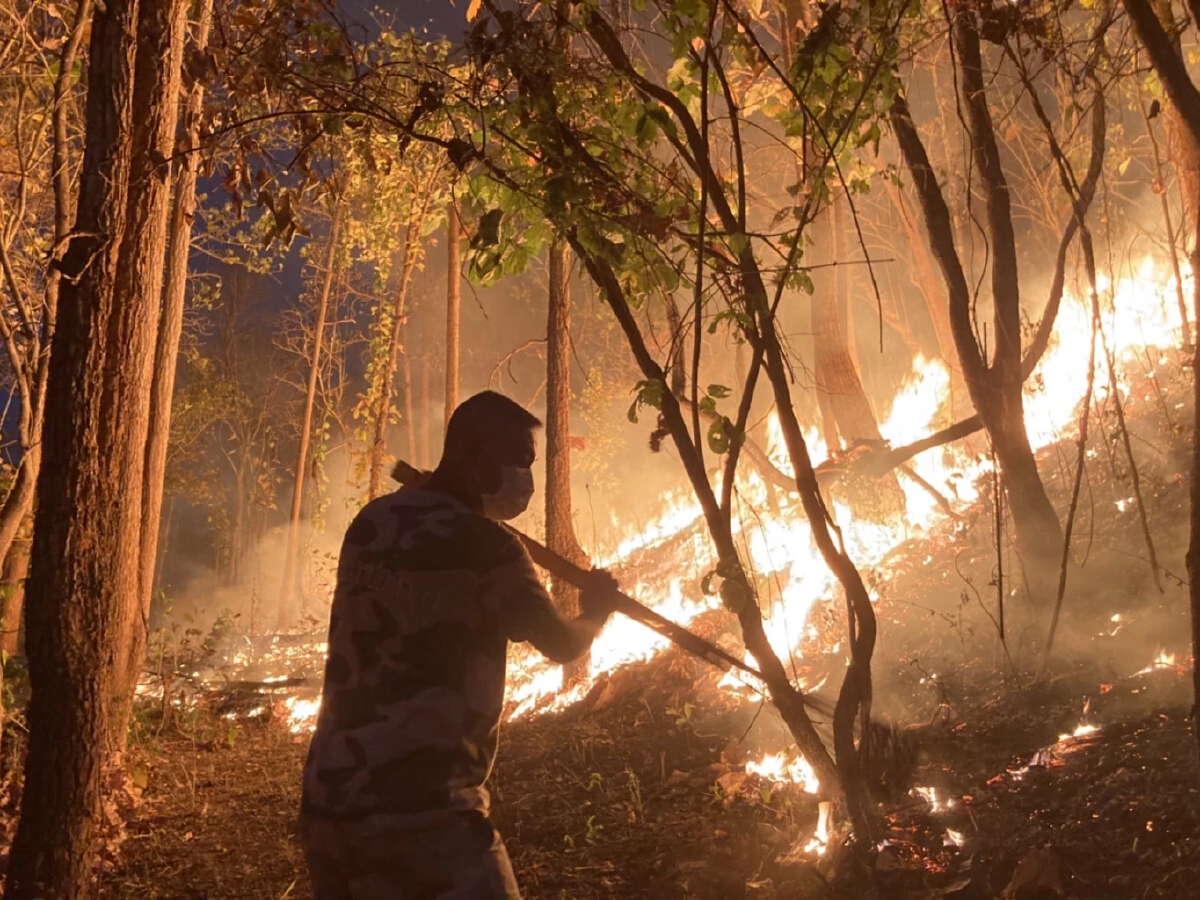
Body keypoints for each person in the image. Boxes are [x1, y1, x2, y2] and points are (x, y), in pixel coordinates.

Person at [299, 390, 618, 899]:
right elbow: (561, 644)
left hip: (332, 799)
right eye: (518, 462)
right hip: (428, 815)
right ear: (474, 455)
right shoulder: (489, 547)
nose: (525, 480)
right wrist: (597, 610)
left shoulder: (373, 522)